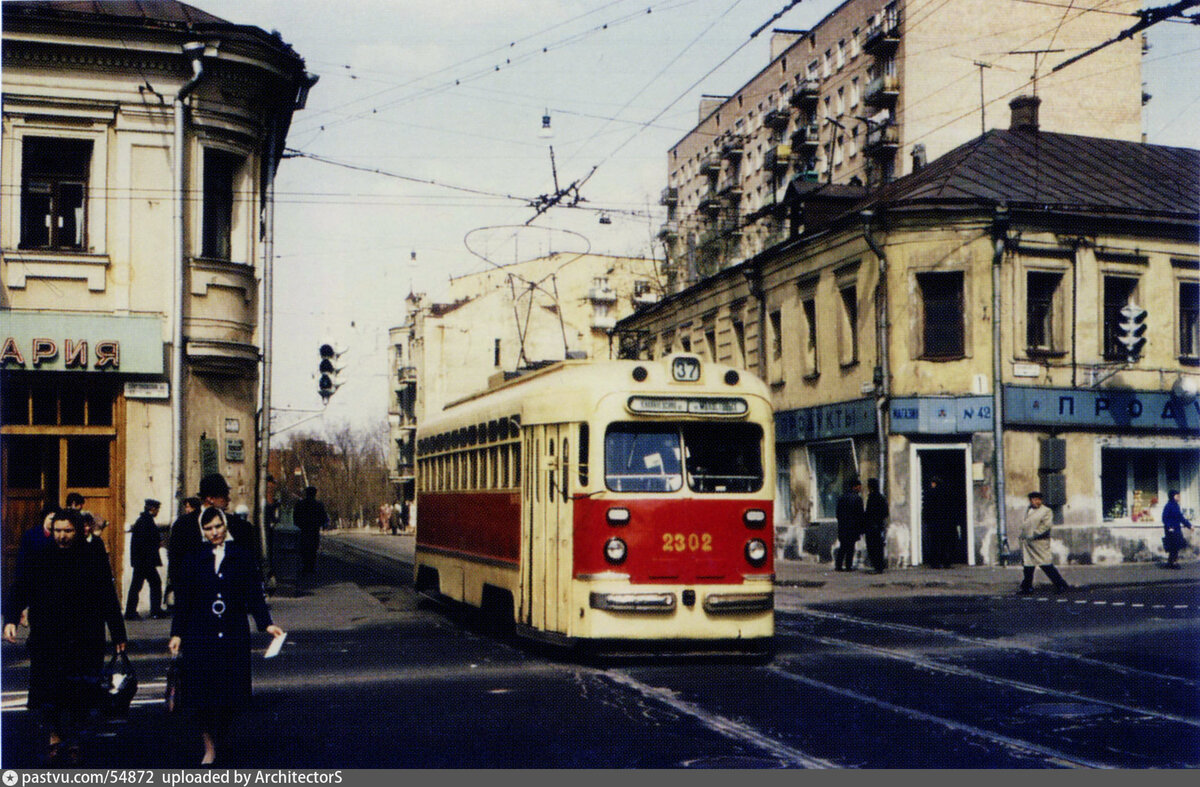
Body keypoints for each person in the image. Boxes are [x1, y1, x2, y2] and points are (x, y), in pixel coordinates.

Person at [4, 510, 127, 766]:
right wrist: (11, 619)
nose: (62, 536)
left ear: (78, 531)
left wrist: (118, 632)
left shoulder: (92, 555)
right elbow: (21, 587)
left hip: (84, 636)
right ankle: (54, 735)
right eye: (58, 530)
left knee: (80, 692)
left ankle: (75, 739)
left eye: (67, 531)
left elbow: (106, 594)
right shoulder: (41, 554)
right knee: (49, 692)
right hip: (49, 637)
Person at [168, 507, 283, 766]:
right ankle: (209, 745)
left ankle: (220, 735)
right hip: (201, 633)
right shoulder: (193, 558)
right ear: (202, 531)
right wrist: (177, 633)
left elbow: (253, 594)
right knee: (202, 695)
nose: (214, 532)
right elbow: (184, 601)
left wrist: (266, 624)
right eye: (208, 528)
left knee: (231, 694)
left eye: (218, 526)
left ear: (225, 525)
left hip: (232, 633)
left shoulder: (241, 557)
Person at [1019, 491, 1070, 594]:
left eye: (1037, 499)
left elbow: (1046, 526)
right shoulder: (1029, 510)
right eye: (1033, 499)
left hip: (1039, 542)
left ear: (1041, 500)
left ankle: (1061, 585)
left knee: (1046, 565)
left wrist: (1033, 534)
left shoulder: (1046, 511)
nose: (1035, 501)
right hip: (1028, 543)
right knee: (1028, 566)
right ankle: (1027, 587)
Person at [126, 499, 165, 620]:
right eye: (157, 509)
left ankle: (132, 611)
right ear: (152, 509)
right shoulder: (145, 522)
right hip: (145, 561)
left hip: (142, 561)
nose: (158, 512)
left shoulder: (143, 521)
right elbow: (145, 543)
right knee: (153, 583)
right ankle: (154, 611)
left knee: (137, 586)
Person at [164, 497, 200, 610]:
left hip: (184, 568)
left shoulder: (181, 523)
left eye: (188, 507)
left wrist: (172, 572)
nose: (187, 509)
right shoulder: (201, 520)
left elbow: (174, 550)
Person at [293, 486, 329, 575]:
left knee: (304, 548)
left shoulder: (300, 504)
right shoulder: (318, 504)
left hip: (303, 530)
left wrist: (299, 525)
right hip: (314, 530)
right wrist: (322, 525)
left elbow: (295, 517)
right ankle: (311, 567)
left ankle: (305, 566)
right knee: (313, 549)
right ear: (315, 494)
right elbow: (324, 517)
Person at [835, 478, 864, 571]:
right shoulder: (857, 499)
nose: (860, 489)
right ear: (855, 487)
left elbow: (838, 513)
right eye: (859, 487)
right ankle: (848, 566)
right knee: (851, 547)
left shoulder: (842, 497)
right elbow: (860, 514)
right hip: (853, 527)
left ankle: (838, 565)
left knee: (843, 546)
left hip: (843, 526)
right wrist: (861, 527)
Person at [1161, 489, 1193, 569]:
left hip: (1177, 528)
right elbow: (1164, 518)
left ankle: (1172, 562)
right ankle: (1172, 563)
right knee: (1173, 546)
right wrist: (1169, 527)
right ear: (1172, 496)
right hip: (1171, 529)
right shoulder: (1168, 506)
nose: (1179, 497)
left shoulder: (1176, 505)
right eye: (1177, 496)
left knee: (1177, 546)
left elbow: (1180, 517)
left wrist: (1189, 526)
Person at [863, 478, 888, 574]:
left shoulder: (873, 498)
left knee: (873, 547)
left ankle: (878, 567)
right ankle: (879, 566)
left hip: (872, 526)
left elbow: (869, 513)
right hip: (878, 526)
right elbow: (885, 512)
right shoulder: (881, 497)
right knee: (878, 547)